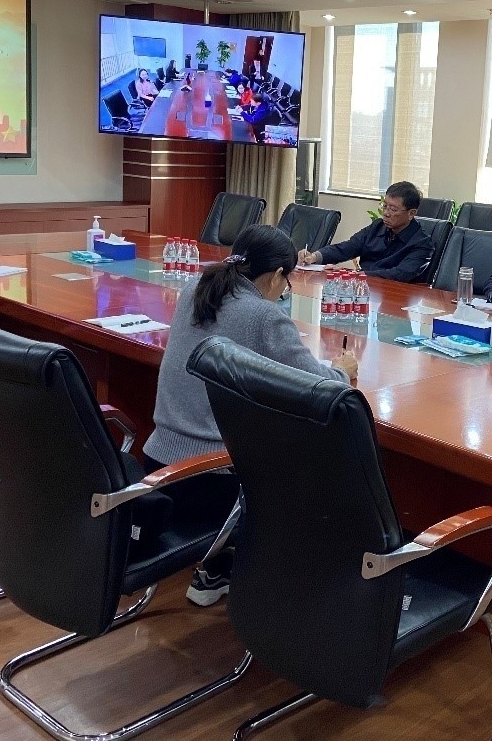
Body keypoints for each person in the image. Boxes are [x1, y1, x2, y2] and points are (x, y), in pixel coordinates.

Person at [143, 224, 357, 605]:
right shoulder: (262, 316)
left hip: (159, 462)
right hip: (210, 480)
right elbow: (322, 387)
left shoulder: (195, 289)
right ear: (276, 276)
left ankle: (219, 566)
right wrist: (343, 369)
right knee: (317, 456)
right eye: (286, 283)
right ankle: (277, 581)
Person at [298, 181, 434, 283]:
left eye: (393, 209)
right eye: (385, 206)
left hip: (397, 296)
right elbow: (348, 247)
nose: (386, 213)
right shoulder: (377, 227)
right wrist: (315, 256)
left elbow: (400, 274)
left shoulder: (422, 244)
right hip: (365, 290)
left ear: (411, 213)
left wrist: (353, 274)